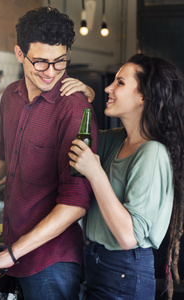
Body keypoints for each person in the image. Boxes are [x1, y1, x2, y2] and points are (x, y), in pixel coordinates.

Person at [0, 6, 98, 299]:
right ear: (19, 54)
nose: (51, 73)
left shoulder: (75, 109)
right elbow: (2, 154)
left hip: (52, 262)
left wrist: (11, 254)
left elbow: (75, 204)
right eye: (40, 63)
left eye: (60, 62)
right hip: (13, 252)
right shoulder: (10, 96)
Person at [68, 53, 184, 300]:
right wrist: (83, 97)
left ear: (143, 97)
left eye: (120, 83)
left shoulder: (152, 153)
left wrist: (95, 172)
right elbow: (73, 136)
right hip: (97, 265)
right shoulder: (116, 140)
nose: (109, 87)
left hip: (124, 273)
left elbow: (128, 236)